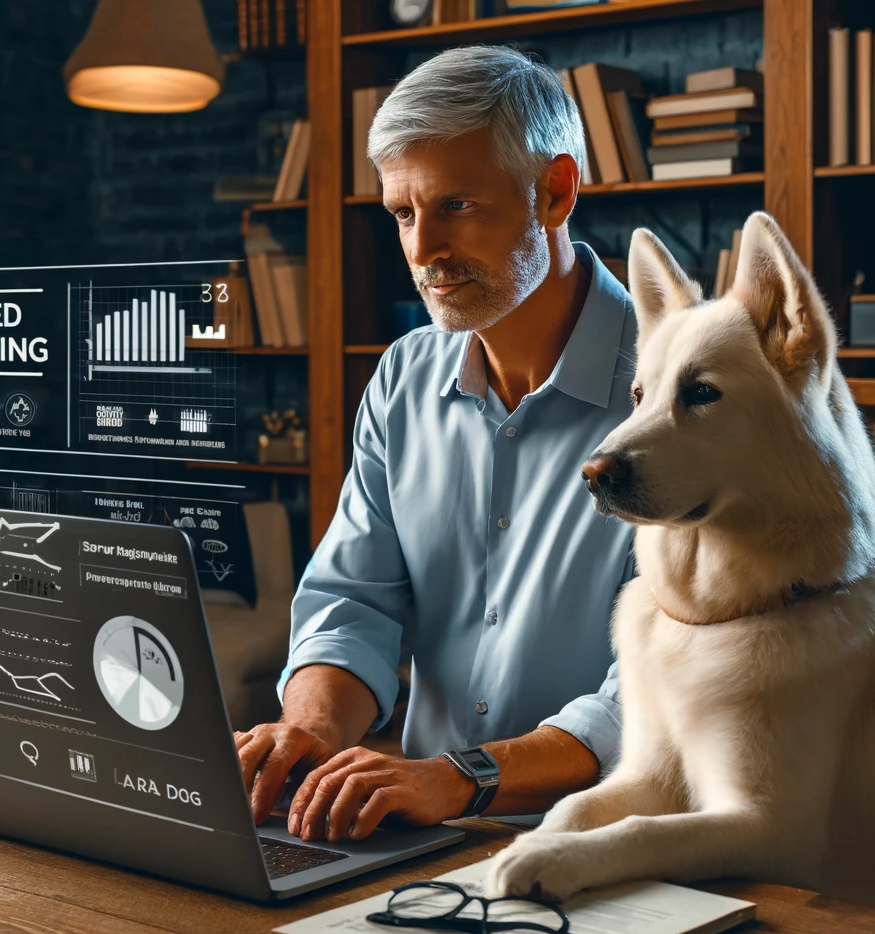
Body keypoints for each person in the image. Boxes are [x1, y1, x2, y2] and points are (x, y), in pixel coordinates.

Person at [237, 44, 637, 843]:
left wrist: (464, 777)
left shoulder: (685, 390)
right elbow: (354, 604)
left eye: (457, 206)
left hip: (619, 845)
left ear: (555, 193)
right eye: (403, 214)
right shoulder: (403, 378)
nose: (422, 252)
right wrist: (310, 729)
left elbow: (661, 688)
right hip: (428, 836)